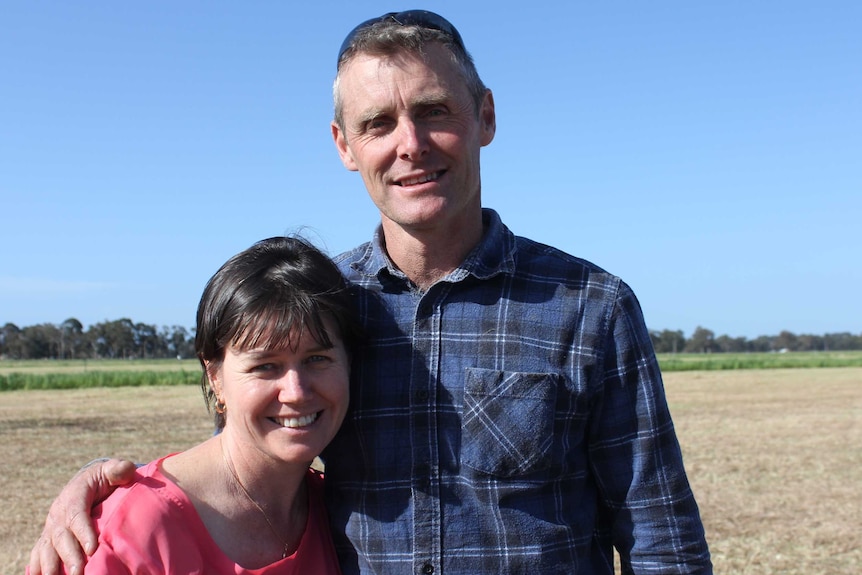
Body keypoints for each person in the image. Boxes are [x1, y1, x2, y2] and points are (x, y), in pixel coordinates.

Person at [29, 10, 712, 574]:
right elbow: (250, 450)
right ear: (344, 145)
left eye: (434, 110)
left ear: (486, 117)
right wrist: (107, 492)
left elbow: (662, 539)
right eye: (378, 123)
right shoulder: (322, 306)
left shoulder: (590, 307)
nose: (409, 143)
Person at [27, 236, 359, 574]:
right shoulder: (133, 531)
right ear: (215, 377)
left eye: (317, 359)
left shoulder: (338, 511)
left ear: (349, 363)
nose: (296, 392)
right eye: (265, 366)